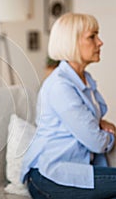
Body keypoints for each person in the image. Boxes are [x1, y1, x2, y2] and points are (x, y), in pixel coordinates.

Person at [20, 13, 116, 199]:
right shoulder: (60, 86)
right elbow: (95, 141)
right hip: (50, 176)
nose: (100, 42)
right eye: (92, 36)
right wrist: (111, 135)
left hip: (76, 171)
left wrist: (98, 123)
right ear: (72, 42)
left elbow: (91, 121)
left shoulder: (85, 80)